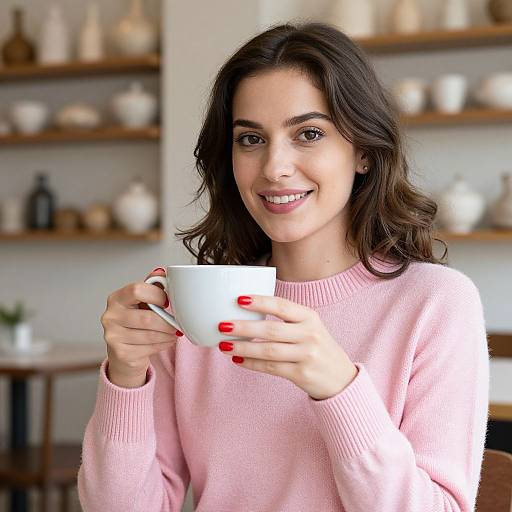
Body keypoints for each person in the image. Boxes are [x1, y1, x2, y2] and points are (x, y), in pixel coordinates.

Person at [77, 22, 489, 512]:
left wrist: (339, 388)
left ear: (362, 152)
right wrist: (125, 377)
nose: (274, 166)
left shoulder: (435, 303)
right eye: (250, 139)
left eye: (308, 133)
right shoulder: (194, 310)